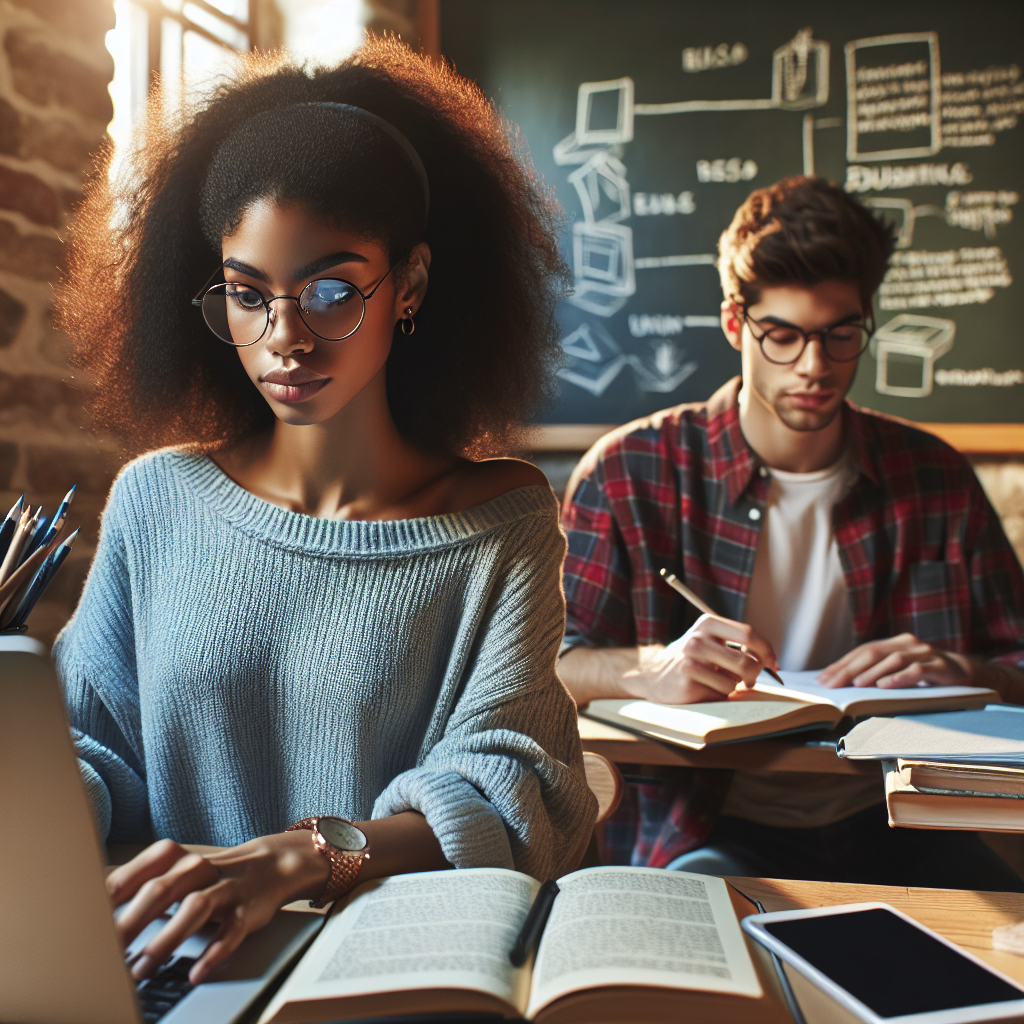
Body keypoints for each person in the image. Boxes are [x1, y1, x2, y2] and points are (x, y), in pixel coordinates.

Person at [54, 39, 595, 985]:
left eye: (332, 291)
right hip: (172, 973)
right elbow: (89, 751)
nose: (285, 340)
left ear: (413, 285)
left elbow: (509, 791)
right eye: (248, 295)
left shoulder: (499, 521)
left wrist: (299, 856)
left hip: (393, 977)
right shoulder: (156, 500)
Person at [558, 176, 1024, 889]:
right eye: (783, 336)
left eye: (841, 335)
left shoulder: (935, 477)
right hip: (707, 826)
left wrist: (968, 674)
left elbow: (1017, 662)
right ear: (735, 325)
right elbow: (542, 667)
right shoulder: (629, 473)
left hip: (908, 821)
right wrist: (649, 667)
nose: (815, 366)